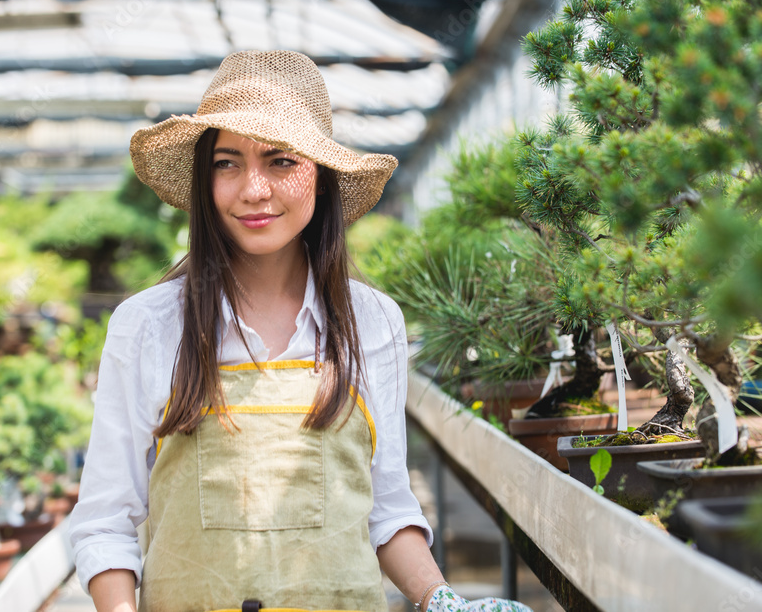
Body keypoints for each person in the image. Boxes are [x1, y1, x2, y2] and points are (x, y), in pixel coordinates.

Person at [69, 50, 531, 612]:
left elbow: (386, 507)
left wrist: (441, 600)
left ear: (322, 174)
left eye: (281, 161)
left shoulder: (371, 321)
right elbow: (105, 520)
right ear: (203, 179)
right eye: (227, 163)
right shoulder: (148, 325)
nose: (253, 190)